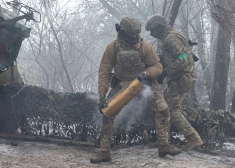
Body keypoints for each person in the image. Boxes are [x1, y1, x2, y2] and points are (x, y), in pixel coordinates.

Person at [90, 17, 182, 163]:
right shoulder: (113, 48)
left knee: (163, 110)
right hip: (122, 85)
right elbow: (104, 71)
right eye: (131, 35)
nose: (134, 37)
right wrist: (102, 93)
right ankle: (104, 152)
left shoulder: (144, 46)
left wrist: (146, 74)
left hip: (145, 84)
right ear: (122, 31)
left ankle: (163, 146)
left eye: (136, 35)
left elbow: (158, 67)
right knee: (107, 114)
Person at [145, 14, 203, 152]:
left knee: (170, 110)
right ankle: (162, 142)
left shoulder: (171, 38)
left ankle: (193, 138)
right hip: (175, 79)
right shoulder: (167, 37)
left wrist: (165, 72)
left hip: (180, 78)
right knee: (163, 108)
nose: (151, 34)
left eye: (152, 30)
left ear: (159, 27)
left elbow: (182, 59)